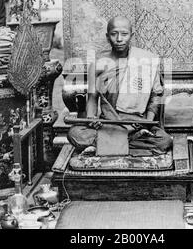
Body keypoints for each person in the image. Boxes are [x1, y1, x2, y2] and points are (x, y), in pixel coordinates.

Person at [67, 16, 173, 157]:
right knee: (74, 134)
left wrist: (147, 122)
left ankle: (103, 146)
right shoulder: (98, 64)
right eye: (114, 34)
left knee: (163, 141)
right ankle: (129, 143)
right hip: (108, 123)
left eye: (124, 34)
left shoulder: (146, 60)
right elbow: (92, 98)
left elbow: (155, 97)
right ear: (107, 36)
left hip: (137, 124)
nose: (119, 39)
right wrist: (92, 119)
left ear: (131, 36)